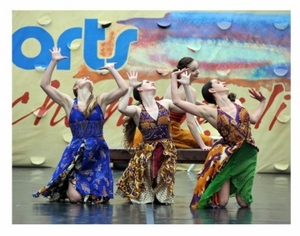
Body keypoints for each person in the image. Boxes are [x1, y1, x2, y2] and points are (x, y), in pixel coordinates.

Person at [32, 47, 128, 204]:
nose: (86, 78)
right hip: (77, 150)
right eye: (82, 78)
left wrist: (111, 69)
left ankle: (88, 188)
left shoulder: (100, 101)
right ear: (75, 87)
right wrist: (54, 61)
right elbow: (44, 85)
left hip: (97, 150)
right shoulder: (69, 103)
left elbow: (123, 88)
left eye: (88, 78)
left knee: (100, 199)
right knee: (75, 199)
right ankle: (71, 179)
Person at [171, 69, 266, 209]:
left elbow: (254, 119)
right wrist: (174, 78)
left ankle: (228, 177)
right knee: (222, 202)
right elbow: (177, 101)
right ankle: (224, 174)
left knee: (244, 202)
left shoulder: (238, 104)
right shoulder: (210, 112)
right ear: (212, 91)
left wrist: (262, 101)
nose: (222, 82)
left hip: (248, 154)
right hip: (229, 156)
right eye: (217, 82)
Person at [115, 71, 186, 205]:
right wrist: (130, 86)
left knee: (164, 180)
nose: (152, 82)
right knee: (146, 180)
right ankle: (145, 194)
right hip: (147, 150)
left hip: (167, 149)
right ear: (140, 89)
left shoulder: (165, 103)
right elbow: (121, 108)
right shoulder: (137, 110)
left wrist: (176, 80)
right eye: (147, 82)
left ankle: (160, 195)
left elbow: (184, 106)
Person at [133, 57, 213, 151]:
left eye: (197, 68)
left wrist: (205, 107)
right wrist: (202, 145)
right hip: (170, 131)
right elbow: (190, 122)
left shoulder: (173, 85)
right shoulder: (190, 91)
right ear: (185, 72)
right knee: (209, 141)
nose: (198, 71)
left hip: (151, 129)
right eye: (194, 70)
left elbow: (185, 102)